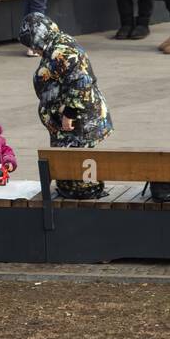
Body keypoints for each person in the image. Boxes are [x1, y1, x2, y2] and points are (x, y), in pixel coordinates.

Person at [19, 13, 113, 199]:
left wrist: (69, 113)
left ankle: (85, 196)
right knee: (68, 167)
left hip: (80, 121)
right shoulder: (57, 44)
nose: (33, 50)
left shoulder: (61, 51)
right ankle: (73, 190)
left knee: (78, 169)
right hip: (72, 124)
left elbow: (81, 81)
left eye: (32, 44)